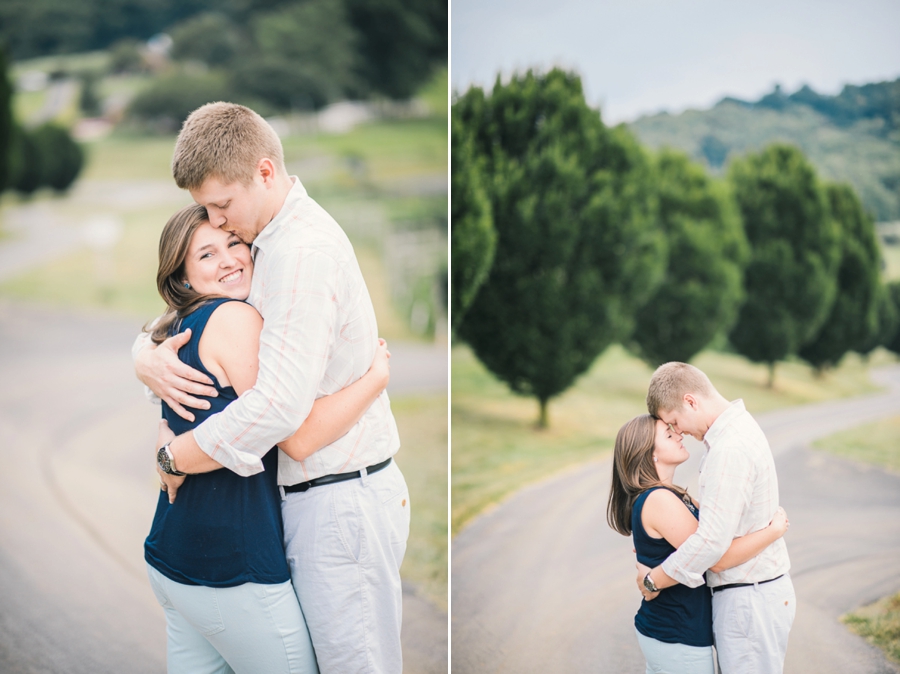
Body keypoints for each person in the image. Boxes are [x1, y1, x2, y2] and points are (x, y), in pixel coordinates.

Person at [133, 102, 409, 674]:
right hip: (304, 502)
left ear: (263, 172)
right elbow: (193, 317)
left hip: (338, 501)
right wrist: (144, 356)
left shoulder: (299, 253)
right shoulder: (265, 239)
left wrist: (176, 453)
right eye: (205, 211)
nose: (219, 222)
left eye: (222, 206)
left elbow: (289, 422)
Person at [636, 362, 796, 674]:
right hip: (754, 594)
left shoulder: (728, 449)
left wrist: (654, 579)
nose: (678, 431)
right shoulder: (737, 430)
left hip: (748, 597)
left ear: (690, 402)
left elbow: (713, 549)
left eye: (674, 421)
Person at [608, 413, 790, 674]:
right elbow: (717, 558)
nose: (679, 435)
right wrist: (773, 531)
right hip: (676, 634)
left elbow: (719, 527)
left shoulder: (675, 495)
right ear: (650, 455)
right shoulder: (659, 500)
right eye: (669, 435)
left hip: (679, 633)